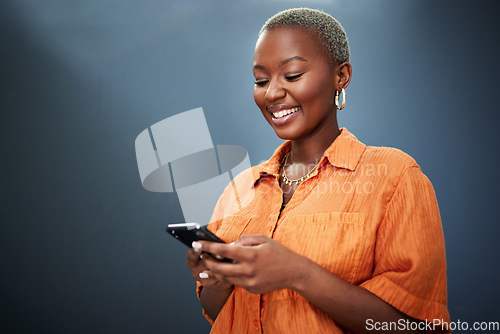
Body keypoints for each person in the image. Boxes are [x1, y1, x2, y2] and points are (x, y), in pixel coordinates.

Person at [186, 8, 450, 334]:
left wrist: (298, 273)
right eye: (261, 80)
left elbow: (420, 328)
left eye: (293, 75)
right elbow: (221, 314)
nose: (271, 93)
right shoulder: (239, 188)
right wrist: (213, 281)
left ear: (341, 76)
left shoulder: (394, 177)